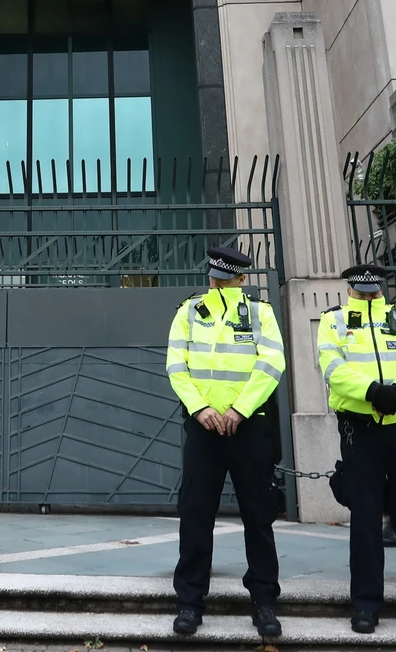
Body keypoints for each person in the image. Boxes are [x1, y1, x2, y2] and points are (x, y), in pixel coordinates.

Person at [166, 246, 287, 639]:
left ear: (241, 279)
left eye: (224, 277)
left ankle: (265, 602)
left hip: (248, 428)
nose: (216, 282)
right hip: (204, 429)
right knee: (196, 515)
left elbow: (271, 364)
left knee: (258, 516)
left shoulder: (259, 312)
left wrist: (240, 409)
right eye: (214, 276)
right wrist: (201, 409)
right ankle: (189, 602)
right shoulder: (189, 311)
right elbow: (175, 365)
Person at [317, 263, 396, 637]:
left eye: (375, 290)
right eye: (364, 291)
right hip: (360, 428)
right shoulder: (334, 321)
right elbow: (332, 367)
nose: (370, 295)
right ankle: (366, 605)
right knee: (366, 518)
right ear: (352, 289)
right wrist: (373, 392)